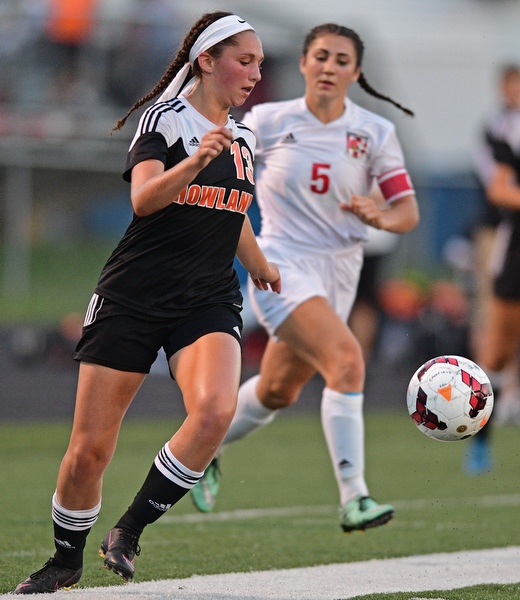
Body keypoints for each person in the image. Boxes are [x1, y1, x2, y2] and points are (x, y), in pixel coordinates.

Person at [14, 11, 281, 594]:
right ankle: (64, 560)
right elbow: (145, 200)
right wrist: (196, 159)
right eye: (244, 59)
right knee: (89, 451)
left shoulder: (244, 134)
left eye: (260, 62)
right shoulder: (164, 118)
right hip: (133, 297)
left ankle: (128, 531)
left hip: (207, 298)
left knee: (213, 411)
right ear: (206, 61)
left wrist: (257, 261)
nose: (255, 72)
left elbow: (227, 207)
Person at [191, 23, 419, 533]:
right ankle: (355, 497)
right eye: (320, 56)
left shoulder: (375, 133)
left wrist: (380, 216)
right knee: (346, 359)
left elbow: (407, 213)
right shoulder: (267, 121)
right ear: (303, 63)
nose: (329, 67)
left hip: (339, 272)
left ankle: (202, 448)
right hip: (282, 266)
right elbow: (220, 178)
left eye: (341, 60)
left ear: (355, 73)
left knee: (276, 390)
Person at [465, 64, 520, 474]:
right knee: (497, 349)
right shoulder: (507, 128)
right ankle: (481, 442)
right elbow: (499, 187)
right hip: (515, 244)